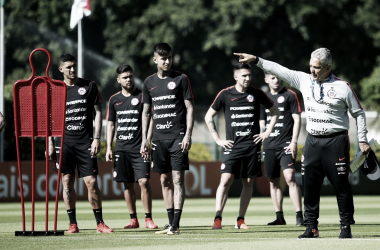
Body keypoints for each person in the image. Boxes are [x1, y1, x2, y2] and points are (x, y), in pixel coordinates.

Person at [235, 48, 371, 238]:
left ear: (328, 67)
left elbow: (359, 113)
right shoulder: (304, 79)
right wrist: (257, 60)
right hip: (313, 141)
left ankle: (345, 226)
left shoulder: (343, 87)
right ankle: (311, 227)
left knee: (341, 186)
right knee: (310, 186)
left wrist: (363, 139)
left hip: (336, 141)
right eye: (310, 66)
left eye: (316, 68)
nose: (312, 71)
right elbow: (280, 70)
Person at [204, 63, 279, 230]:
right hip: (232, 146)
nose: (247, 78)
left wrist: (266, 132)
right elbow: (208, 117)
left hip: (252, 146)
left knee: (248, 182)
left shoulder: (257, 93)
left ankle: (240, 220)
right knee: (226, 180)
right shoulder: (225, 94)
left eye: (249, 75)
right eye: (244, 75)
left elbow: (275, 112)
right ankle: (217, 218)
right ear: (235, 76)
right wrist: (217, 139)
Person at [48, 53, 113, 234]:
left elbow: (98, 113)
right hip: (64, 143)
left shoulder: (89, 85)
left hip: (85, 142)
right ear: (61, 69)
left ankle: (100, 223)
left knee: (91, 182)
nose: (73, 69)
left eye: (74, 66)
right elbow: (50, 118)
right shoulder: (56, 90)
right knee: (67, 182)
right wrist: (50, 143)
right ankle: (72, 224)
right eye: (68, 67)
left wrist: (97, 138)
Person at [141, 43, 194, 235]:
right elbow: (147, 113)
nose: (167, 61)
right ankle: (170, 223)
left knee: (178, 179)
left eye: (169, 57)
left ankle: (176, 224)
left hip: (177, 137)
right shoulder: (148, 83)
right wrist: (145, 139)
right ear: (155, 59)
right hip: (158, 139)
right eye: (163, 58)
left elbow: (189, 108)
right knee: (164, 180)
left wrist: (188, 134)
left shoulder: (181, 78)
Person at [105, 64, 158, 230]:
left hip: (139, 148)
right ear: (118, 80)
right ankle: (133, 219)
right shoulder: (114, 100)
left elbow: (151, 119)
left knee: (143, 181)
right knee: (127, 184)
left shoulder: (143, 96)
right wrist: (108, 147)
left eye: (130, 76)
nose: (129, 79)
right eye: (125, 77)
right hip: (121, 148)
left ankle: (148, 218)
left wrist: (147, 140)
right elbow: (111, 125)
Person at [259, 72, 304, 226]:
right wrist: (262, 134)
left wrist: (294, 142)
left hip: (286, 143)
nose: (276, 80)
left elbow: (297, 120)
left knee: (290, 177)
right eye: (272, 78)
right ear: (266, 80)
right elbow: (261, 121)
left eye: (278, 77)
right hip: (270, 145)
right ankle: (279, 217)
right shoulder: (263, 98)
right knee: (273, 181)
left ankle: (299, 216)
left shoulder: (290, 95)